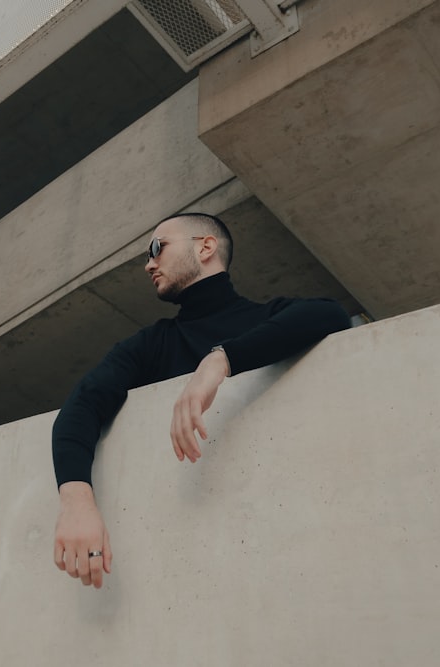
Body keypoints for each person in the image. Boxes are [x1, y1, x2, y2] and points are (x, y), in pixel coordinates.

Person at [52, 212, 353, 588]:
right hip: (180, 563)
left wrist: (220, 360)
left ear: (206, 246)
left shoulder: (267, 318)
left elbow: (330, 314)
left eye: (157, 248)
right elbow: (81, 406)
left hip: (294, 544)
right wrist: (78, 504)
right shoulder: (151, 344)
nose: (149, 264)